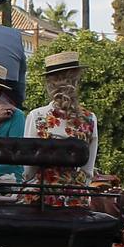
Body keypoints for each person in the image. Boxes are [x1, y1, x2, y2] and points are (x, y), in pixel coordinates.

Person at [23, 51, 99, 207]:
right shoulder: (90, 118)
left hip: (42, 197)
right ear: (76, 81)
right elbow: (87, 170)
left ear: (49, 84)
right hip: (76, 199)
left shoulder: (37, 116)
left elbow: (29, 170)